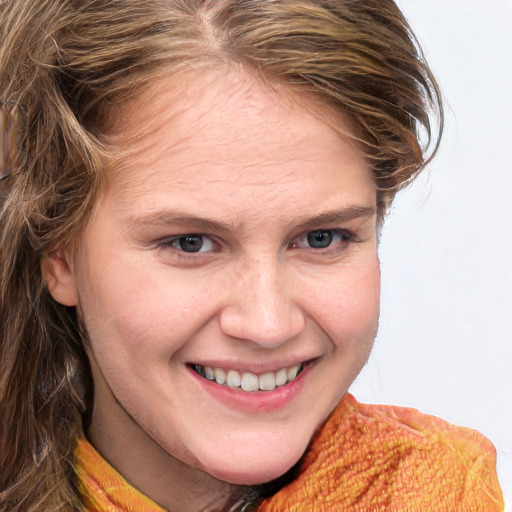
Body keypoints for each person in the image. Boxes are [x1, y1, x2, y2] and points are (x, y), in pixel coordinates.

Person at [0, 0, 504, 511]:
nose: (267, 325)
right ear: (57, 250)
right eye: (190, 243)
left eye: (322, 238)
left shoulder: (441, 496)